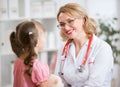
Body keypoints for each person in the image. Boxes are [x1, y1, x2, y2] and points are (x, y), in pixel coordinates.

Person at [54, 3, 114, 87]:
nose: (66, 28)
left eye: (70, 21)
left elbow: (94, 84)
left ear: (83, 20)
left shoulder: (102, 48)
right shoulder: (63, 49)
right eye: (62, 24)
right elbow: (59, 81)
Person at [10, 20, 50, 87]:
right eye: (44, 36)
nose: (45, 39)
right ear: (36, 41)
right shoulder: (38, 67)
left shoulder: (18, 61)